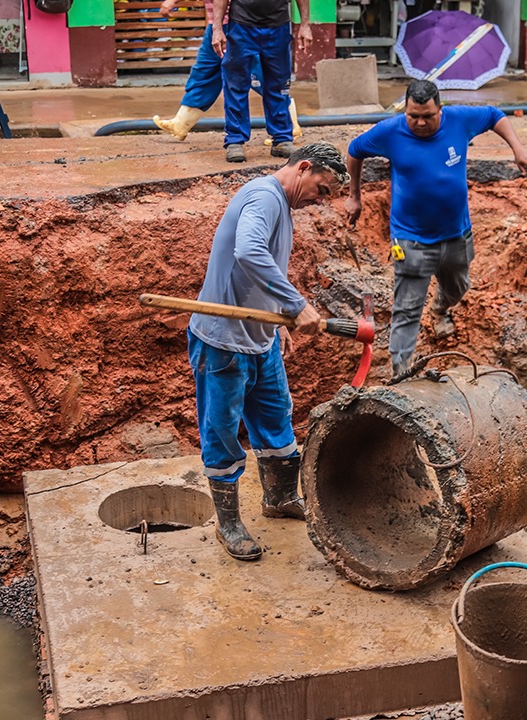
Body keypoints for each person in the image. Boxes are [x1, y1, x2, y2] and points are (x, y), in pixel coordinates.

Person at [188, 141, 349, 561]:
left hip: (261, 337)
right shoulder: (263, 197)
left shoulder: (280, 203)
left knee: (276, 418)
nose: (321, 200)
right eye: (323, 189)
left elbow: (264, 268)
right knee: (222, 430)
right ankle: (228, 523)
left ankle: (279, 498)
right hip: (223, 342)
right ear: (305, 168)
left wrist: (279, 315)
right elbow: (249, 251)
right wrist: (298, 305)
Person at [344, 79, 527, 377]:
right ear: (405, 110)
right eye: (413, 116)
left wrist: (518, 148)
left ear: (440, 110)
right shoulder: (390, 131)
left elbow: (494, 115)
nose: (420, 123)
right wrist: (354, 196)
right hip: (409, 239)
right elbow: (355, 150)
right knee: (407, 308)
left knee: (458, 287)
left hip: (456, 234)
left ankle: (440, 308)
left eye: (427, 116)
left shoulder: (460, 120)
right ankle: (401, 374)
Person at [153, 0, 302, 142]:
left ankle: (289, 124)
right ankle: (181, 123)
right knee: (206, 71)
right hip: (221, 23)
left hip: (235, 24)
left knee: (257, 76)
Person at [210, 0, 310, 163]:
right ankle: (235, 140)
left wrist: (305, 25)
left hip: (279, 26)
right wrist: (217, 28)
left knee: (279, 85)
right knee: (236, 84)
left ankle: (282, 139)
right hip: (242, 26)